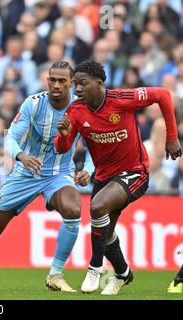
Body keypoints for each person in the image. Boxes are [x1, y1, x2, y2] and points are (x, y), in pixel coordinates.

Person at [0, 61, 94, 292]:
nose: (56, 85)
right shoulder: (33, 103)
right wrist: (21, 156)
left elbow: (92, 147)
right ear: (47, 80)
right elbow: (10, 139)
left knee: (73, 209)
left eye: (61, 81)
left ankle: (55, 275)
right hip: (25, 173)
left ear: (72, 84)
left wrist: (88, 169)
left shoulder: (81, 109)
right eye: (52, 80)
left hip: (59, 174)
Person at [55, 60, 182, 295]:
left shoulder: (122, 99)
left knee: (97, 207)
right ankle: (123, 273)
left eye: (83, 83)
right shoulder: (75, 111)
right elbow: (62, 148)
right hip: (104, 177)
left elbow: (163, 95)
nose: (78, 89)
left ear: (99, 83)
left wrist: (171, 137)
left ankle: (94, 268)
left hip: (135, 171)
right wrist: (63, 136)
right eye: (76, 84)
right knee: (105, 232)